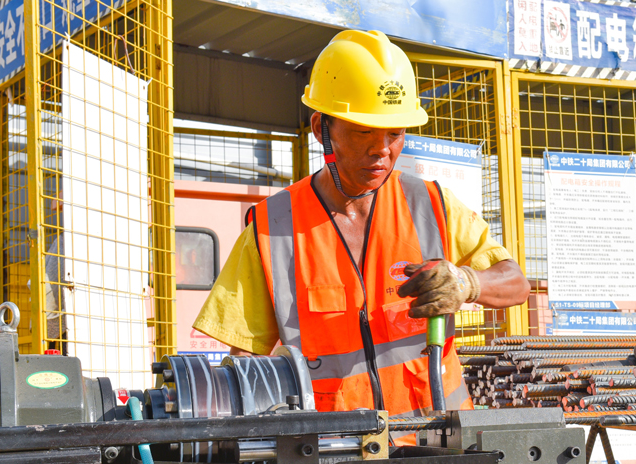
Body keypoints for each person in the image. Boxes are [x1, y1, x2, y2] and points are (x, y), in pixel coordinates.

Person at [193, 29, 529, 418]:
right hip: (332, 455)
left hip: (440, 445)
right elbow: (242, 362)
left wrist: (469, 283)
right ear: (322, 129)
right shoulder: (272, 229)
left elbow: (515, 282)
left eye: (395, 133)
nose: (382, 149)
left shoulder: (433, 205)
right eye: (364, 131)